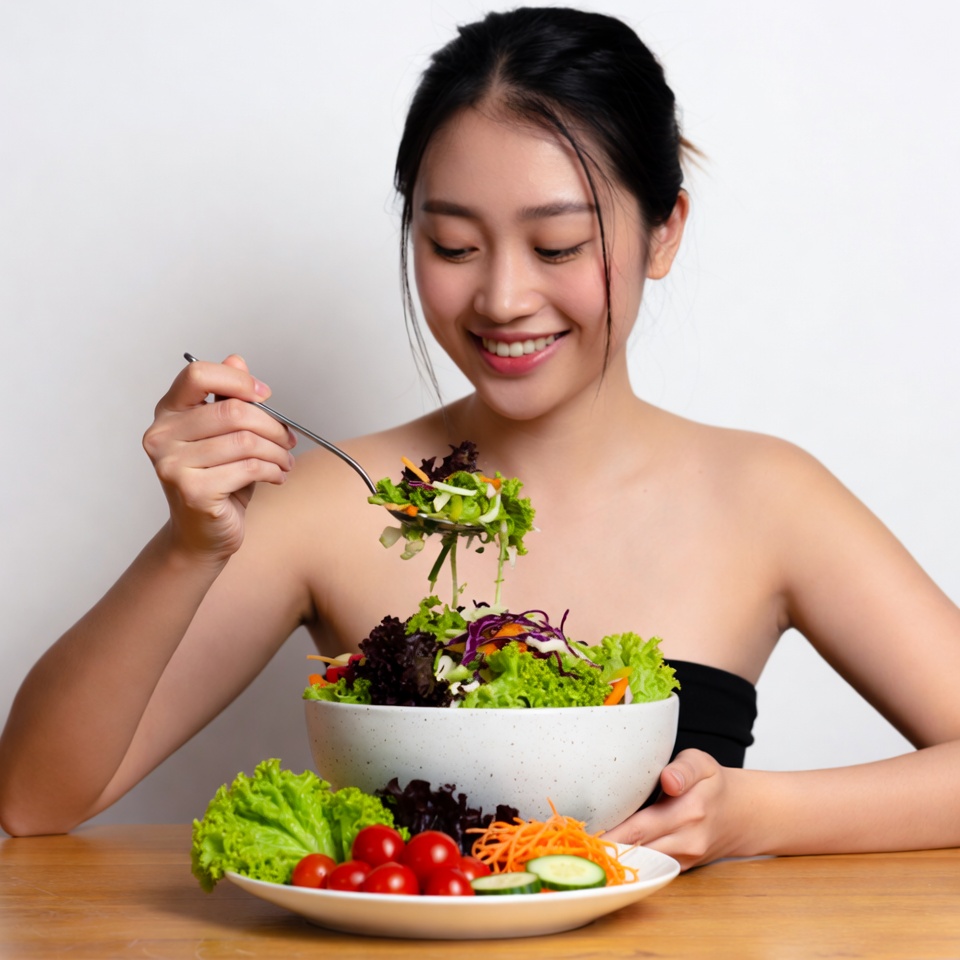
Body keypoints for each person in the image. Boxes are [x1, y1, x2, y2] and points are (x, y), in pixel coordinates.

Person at [1, 6, 958, 871]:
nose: (502, 299)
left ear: (664, 231)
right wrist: (187, 547)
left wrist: (756, 815)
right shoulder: (330, 499)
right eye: (452, 246)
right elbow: (34, 801)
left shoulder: (766, 496)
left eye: (558, 246)